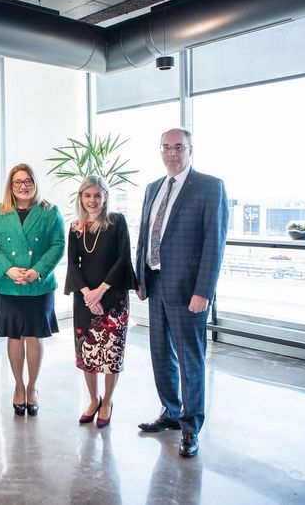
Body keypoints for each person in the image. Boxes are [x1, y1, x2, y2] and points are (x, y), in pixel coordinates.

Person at [135, 128, 228, 458]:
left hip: (189, 290)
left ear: (190, 150)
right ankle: (170, 413)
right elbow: (145, 235)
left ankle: (191, 428)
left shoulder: (209, 187)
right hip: (156, 284)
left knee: (190, 359)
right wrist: (140, 279)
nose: (171, 153)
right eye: (166, 147)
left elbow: (214, 244)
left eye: (178, 147)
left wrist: (203, 291)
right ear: (160, 151)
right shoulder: (153, 188)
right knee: (160, 354)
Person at [0, 163, 64, 416]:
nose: (23, 186)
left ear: (35, 183)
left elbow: (58, 244)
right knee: (15, 336)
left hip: (39, 284)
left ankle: (33, 387)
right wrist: (9, 270)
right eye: (17, 182)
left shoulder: (50, 211)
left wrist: (37, 270)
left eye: (28, 180)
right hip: (9, 285)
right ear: (11, 185)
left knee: (34, 336)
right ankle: (18, 386)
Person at [64, 175, 137, 428]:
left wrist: (100, 291)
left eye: (97, 195)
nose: (92, 200)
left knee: (111, 354)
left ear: (105, 196)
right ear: (81, 198)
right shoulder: (75, 227)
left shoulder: (117, 222)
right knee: (87, 352)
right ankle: (93, 399)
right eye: (87, 195)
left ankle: (107, 402)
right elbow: (73, 264)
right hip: (84, 299)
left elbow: (123, 259)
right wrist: (87, 293)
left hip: (113, 297)